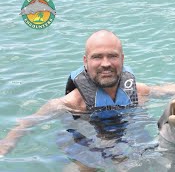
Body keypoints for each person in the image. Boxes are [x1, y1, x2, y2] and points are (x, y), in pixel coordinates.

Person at [0, 30, 151, 156]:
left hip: (125, 133)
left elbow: (165, 90)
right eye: (97, 57)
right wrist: (7, 144)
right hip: (85, 142)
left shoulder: (139, 91)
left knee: (149, 153)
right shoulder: (71, 103)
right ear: (85, 61)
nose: (106, 64)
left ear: (122, 59)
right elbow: (26, 123)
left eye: (112, 56)